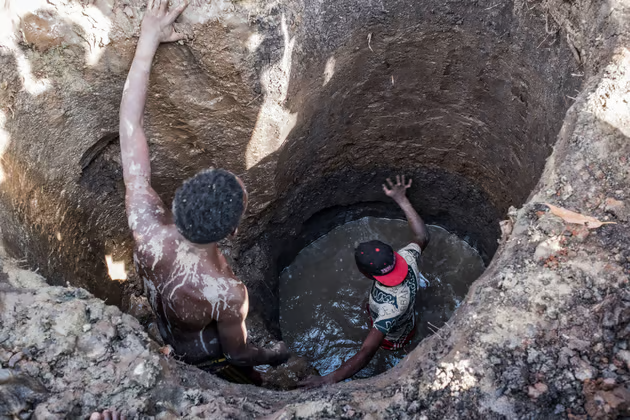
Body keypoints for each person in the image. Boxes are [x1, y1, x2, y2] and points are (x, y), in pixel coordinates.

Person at [119, 0, 289, 385]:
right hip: (206, 361)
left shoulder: (144, 219)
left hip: (166, 327)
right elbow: (238, 353)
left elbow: (130, 126)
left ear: (177, 201)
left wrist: (148, 42)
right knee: (253, 383)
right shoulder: (227, 293)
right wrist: (272, 354)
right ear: (231, 233)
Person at [299, 175, 430, 388]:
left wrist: (328, 379)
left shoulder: (389, 309)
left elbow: (367, 351)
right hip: (405, 312)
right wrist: (402, 199)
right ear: (393, 255)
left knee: (393, 347)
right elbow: (422, 236)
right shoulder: (408, 258)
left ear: (367, 275)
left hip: (396, 336)